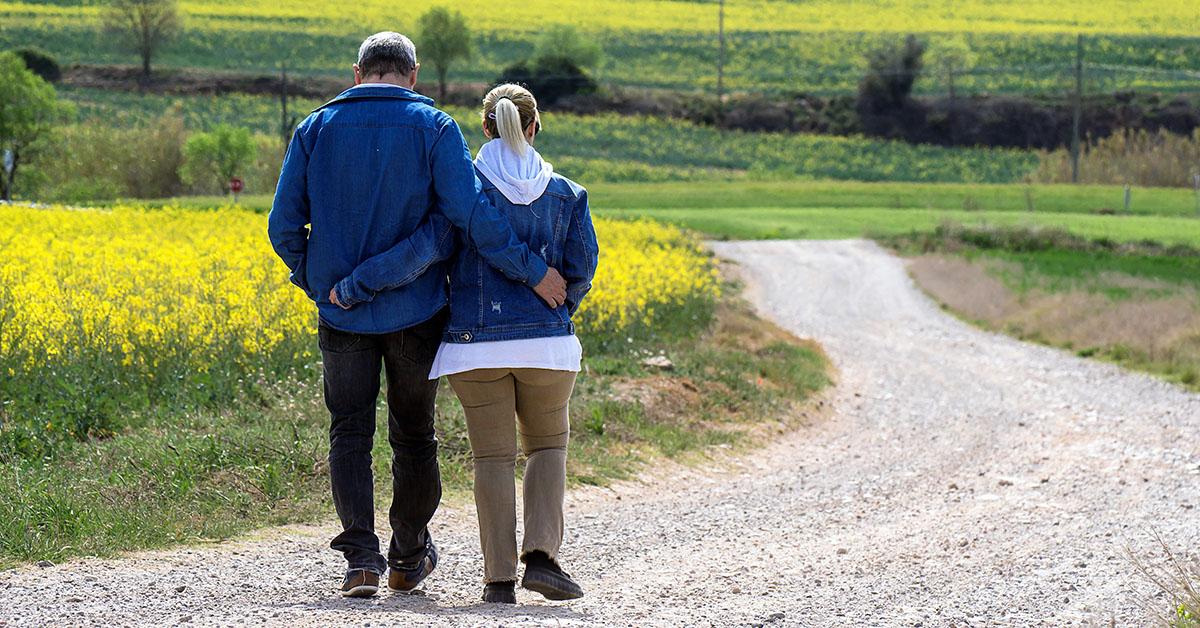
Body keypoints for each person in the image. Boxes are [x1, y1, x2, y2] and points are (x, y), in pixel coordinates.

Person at [267, 32, 568, 599]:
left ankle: (360, 559)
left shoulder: (314, 128)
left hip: (340, 316)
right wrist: (531, 271)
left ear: (358, 73)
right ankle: (407, 556)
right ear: (414, 74)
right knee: (414, 434)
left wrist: (321, 285)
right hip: (417, 312)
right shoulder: (435, 129)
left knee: (348, 432)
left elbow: (283, 227)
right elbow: (467, 216)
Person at [331, 83, 598, 604]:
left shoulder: (464, 192)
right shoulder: (568, 193)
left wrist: (356, 285)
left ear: (484, 129)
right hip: (548, 348)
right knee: (547, 446)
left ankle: (498, 580)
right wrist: (557, 314)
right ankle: (542, 557)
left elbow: (422, 251)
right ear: (536, 126)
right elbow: (581, 269)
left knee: (492, 459)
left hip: (473, 349)